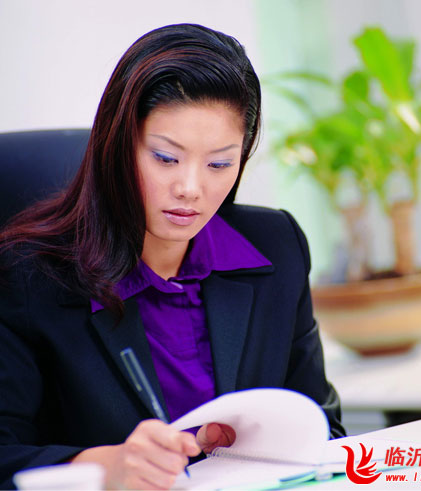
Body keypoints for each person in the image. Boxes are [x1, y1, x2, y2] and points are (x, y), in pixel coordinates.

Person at [0, 23, 345, 490]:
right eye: (166, 158)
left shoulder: (276, 248)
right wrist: (106, 468)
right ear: (117, 146)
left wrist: (268, 444)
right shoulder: (26, 276)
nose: (190, 188)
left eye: (219, 163)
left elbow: (324, 429)